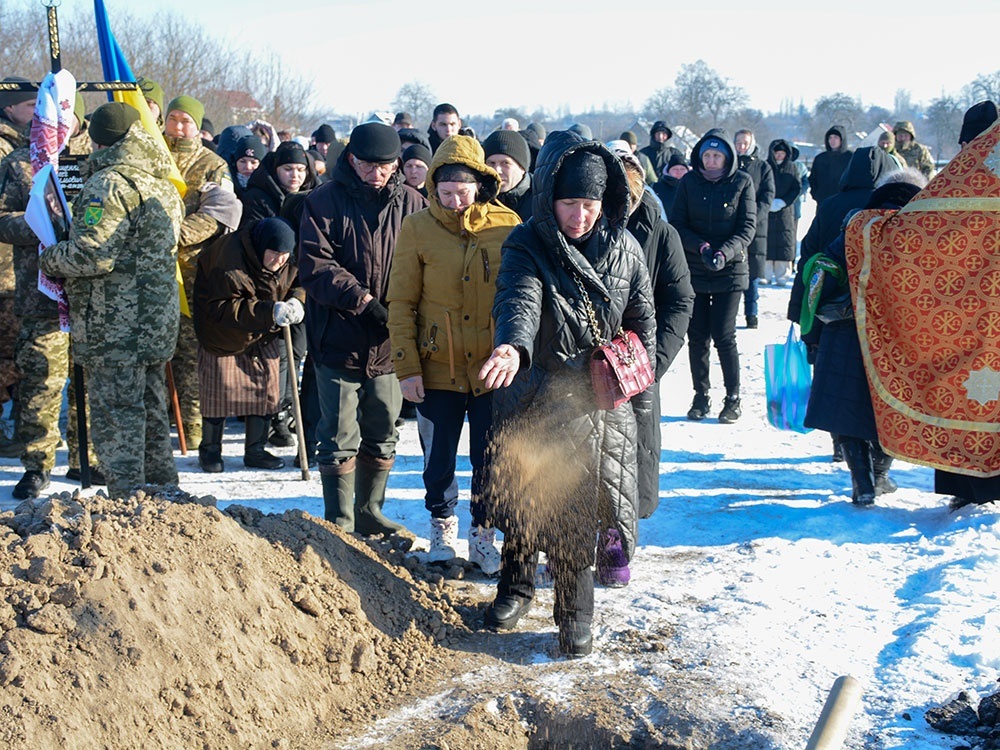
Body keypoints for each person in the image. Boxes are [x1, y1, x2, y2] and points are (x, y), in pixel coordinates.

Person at [478, 130, 655, 658]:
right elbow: (520, 300)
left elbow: (644, 316)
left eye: (590, 204)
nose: (580, 216)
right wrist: (512, 346)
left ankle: (576, 614)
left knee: (578, 510)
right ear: (550, 197)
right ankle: (516, 585)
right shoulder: (527, 243)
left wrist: (631, 362)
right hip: (532, 390)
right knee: (521, 495)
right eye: (570, 203)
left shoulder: (626, 248)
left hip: (595, 399)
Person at [387, 134, 520, 571]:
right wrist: (407, 366)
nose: (453, 201)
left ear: (480, 184)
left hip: (489, 369)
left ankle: (483, 534)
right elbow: (402, 302)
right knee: (438, 456)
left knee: (491, 457)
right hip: (436, 365)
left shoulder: (507, 225)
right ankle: (442, 528)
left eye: (461, 192)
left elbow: (520, 295)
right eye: (444, 193)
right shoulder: (417, 228)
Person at [37, 102, 184, 500]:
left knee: (117, 415)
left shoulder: (110, 184)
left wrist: (48, 256)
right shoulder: (162, 182)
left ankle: (129, 502)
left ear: (98, 139)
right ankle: (163, 496)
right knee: (153, 413)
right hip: (155, 320)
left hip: (115, 325)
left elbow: (92, 255)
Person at [298, 122, 426, 536]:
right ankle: (340, 521)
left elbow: (424, 262)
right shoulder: (323, 202)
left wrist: (403, 309)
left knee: (384, 428)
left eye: (386, 166)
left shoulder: (412, 204)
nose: (377, 174)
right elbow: (316, 267)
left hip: (391, 344)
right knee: (336, 435)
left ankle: (370, 510)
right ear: (351, 160)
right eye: (368, 165)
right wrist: (365, 302)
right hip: (338, 338)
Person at [0, 92, 101, 496]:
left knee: (90, 380)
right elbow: (2, 218)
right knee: (41, 380)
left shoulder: (94, 161)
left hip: (92, 292)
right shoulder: (19, 162)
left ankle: (86, 458)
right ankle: (36, 464)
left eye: (66, 117)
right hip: (38, 293)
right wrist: (37, 225)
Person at [801, 174, 922, 505]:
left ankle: (863, 482)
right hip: (902, 335)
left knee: (846, 408)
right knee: (893, 406)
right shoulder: (922, 229)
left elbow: (823, 267)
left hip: (847, 329)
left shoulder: (859, 224)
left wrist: (812, 329)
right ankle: (880, 474)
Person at [606, 142, 693, 575]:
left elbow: (679, 298)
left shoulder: (659, 230)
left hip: (637, 363)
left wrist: (654, 360)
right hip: (580, 362)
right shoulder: (576, 223)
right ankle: (574, 541)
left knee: (632, 453)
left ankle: (617, 544)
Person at [193, 218, 304, 472]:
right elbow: (221, 307)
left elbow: (298, 283)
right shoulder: (227, 262)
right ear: (261, 247)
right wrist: (270, 311)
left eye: (284, 255)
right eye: (274, 254)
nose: (279, 261)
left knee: (265, 390)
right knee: (217, 394)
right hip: (222, 335)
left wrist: (297, 302)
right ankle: (210, 451)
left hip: (263, 331)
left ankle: (255, 450)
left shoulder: (289, 259)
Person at [934, 100, 1000, 509]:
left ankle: (966, 486)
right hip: (977, 313)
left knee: (968, 394)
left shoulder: (953, 182)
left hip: (961, 314)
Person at [165, 95, 236, 452]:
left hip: (193, 270)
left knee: (189, 351)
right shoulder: (152, 155)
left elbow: (218, 213)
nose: (178, 126)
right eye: (173, 118)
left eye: (186, 121)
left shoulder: (212, 164)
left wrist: (176, 235)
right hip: (152, 270)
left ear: (198, 125)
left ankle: (190, 424)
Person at [671, 129, 755, 424]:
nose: (711, 160)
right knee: (697, 336)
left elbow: (747, 228)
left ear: (727, 157)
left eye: (717, 155)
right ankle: (700, 395)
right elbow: (677, 223)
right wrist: (702, 247)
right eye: (706, 155)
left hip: (730, 270)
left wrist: (724, 252)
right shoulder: (689, 183)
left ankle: (733, 397)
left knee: (723, 334)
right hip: (695, 267)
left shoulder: (742, 182)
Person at [734, 129, 774, 328]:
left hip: (756, 226)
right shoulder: (729, 164)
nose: (741, 146)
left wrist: (753, 216)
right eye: (738, 142)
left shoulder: (762, 166)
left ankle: (752, 313)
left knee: (753, 274)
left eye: (745, 143)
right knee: (733, 271)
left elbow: (767, 195)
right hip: (731, 227)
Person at [765, 139, 802, 286]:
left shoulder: (792, 168)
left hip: (785, 210)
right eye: (777, 153)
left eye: (782, 153)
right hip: (767, 210)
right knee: (766, 241)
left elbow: (797, 188)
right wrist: (767, 201)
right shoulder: (766, 166)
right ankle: (765, 273)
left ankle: (782, 275)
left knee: (784, 241)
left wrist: (784, 202)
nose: (779, 156)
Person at [482, 129, 533, 220]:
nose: (497, 170)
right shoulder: (478, 198)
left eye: (505, 163)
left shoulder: (542, 200)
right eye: (491, 163)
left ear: (522, 168)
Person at [809, 126, 852, 205]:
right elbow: (812, 179)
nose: (832, 140)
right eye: (830, 138)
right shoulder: (820, 158)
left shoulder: (851, 158)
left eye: (835, 137)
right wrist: (816, 195)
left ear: (842, 139)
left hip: (844, 202)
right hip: (823, 201)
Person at [652, 152, 689, 220]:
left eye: (682, 169)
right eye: (675, 169)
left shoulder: (693, 187)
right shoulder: (657, 188)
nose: (679, 171)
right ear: (668, 171)